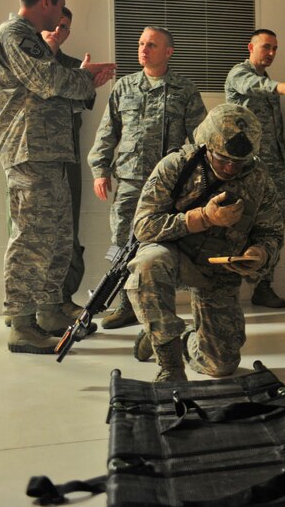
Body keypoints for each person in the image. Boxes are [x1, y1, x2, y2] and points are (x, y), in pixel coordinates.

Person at [0, 0, 115, 353]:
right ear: (47, 1)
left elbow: (56, 91)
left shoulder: (34, 41)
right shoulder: (15, 35)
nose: (60, 16)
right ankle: (22, 323)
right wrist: (85, 79)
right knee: (31, 238)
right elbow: (47, 81)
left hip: (51, 152)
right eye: (60, 6)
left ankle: (48, 312)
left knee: (57, 237)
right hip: (29, 151)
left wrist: (82, 83)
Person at [128, 104, 283, 382]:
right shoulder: (177, 166)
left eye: (238, 163)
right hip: (175, 254)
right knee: (148, 264)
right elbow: (143, 226)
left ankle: (178, 336)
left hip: (219, 269)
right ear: (206, 146)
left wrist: (259, 254)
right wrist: (200, 219)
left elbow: (271, 234)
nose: (229, 168)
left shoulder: (259, 179)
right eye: (222, 159)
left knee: (221, 365)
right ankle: (170, 365)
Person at [88, 26, 207, 329]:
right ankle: (126, 304)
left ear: (168, 51)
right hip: (129, 181)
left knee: (168, 243)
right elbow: (107, 133)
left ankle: (162, 306)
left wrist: (195, 180)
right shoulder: (124, 88)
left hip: (169, 185)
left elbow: (199, 140)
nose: (143, 49)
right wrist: (100, 170)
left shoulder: (184, 90)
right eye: (141, 43)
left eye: (151, 45)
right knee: (120, 242)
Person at [225, 29, 285, 308]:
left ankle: (264, 285)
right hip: (246, 170)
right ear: (251, 47)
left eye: (275, 49)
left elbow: (274, 128)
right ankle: (226, 289)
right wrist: (282, 87)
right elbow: (251, 86)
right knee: (237, 226)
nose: (270, 53)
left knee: (272, 229)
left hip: (275, 170)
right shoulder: (239, 74)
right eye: (266, 47)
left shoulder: (268, 81)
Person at [41, 6, 95, 316]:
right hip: (32, 158)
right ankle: (29, 305)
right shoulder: (27, 62)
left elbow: (84, 100)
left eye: (64, 28)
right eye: (54, 25)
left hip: (67, 159)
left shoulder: (74, 67)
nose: (58, 31)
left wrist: (86, 76)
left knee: (67, 230)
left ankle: (62, 298)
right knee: (30, 233)